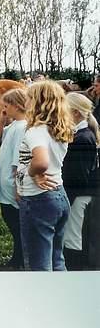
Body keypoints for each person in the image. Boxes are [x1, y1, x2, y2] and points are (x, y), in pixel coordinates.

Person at [16, 80, 72, 271]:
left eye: (29, 98)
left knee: (39, 267)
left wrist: (33, 172)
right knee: (57, 260)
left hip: (38, 201)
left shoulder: (36, 131)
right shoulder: (56, 130)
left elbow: (41, 161)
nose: (26, 103)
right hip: (58, 195)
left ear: (39, 102)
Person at [0, 87, 27, 270]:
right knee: (10, 219)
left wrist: (17, 186)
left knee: (14, 222)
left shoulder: (23, 128)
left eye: (7, 105)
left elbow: (18, 160)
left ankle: (18, 258)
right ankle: (18, 256)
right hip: (5, 180)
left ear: (17, 105)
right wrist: (2, 120)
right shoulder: (13, 125)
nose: (4, 108)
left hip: (11, 182)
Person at [62, 92, 99, 270]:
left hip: (79, 195)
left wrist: (66, 200)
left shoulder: (83, 138)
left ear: (75, 113)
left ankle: (75, 270)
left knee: (73, 236)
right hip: (77, 192)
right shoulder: (81, 135)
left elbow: (79, 177)